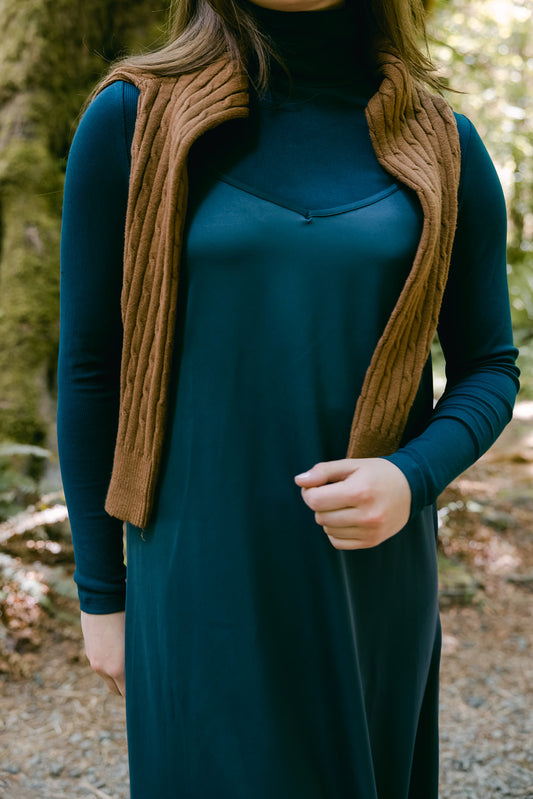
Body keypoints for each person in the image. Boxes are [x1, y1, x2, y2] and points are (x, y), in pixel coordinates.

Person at [57, 0, 519, 796]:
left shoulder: (444, 143)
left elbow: (489, 365)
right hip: (197, 576)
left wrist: (410, 476)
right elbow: (92, 368)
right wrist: (102, 595)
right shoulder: (131, 117)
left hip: (369, 578)